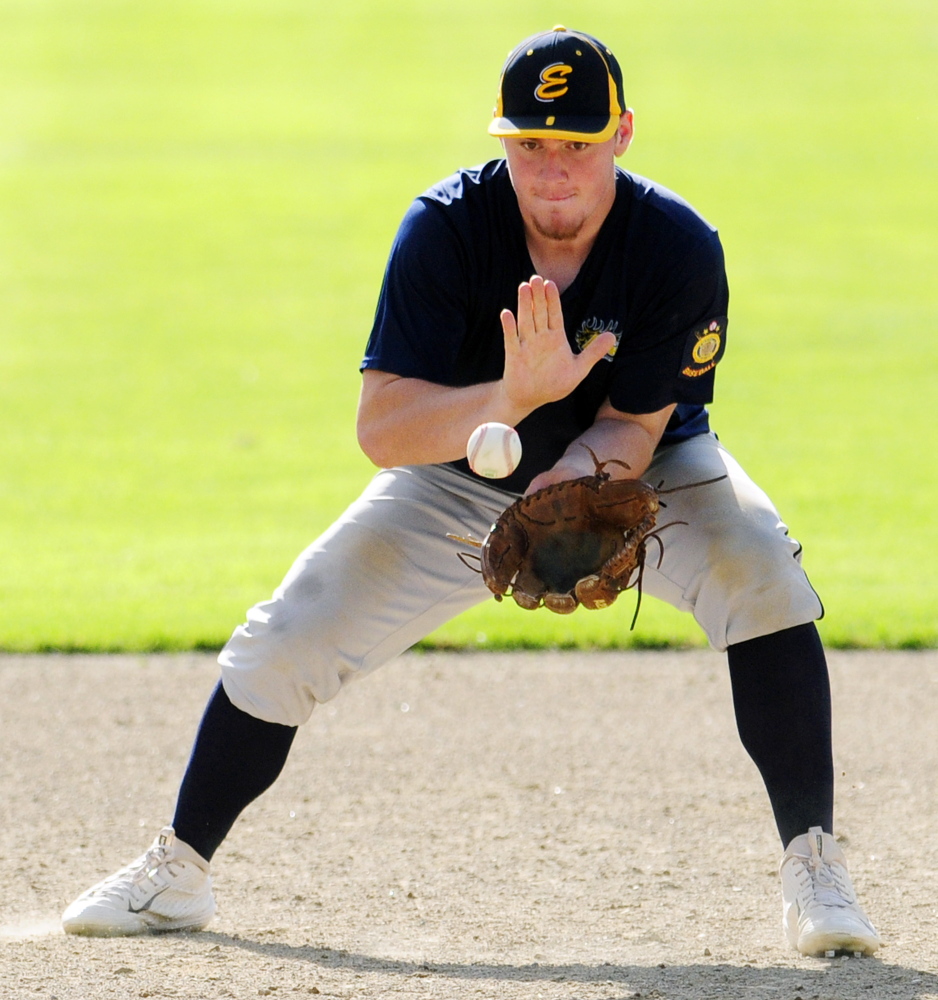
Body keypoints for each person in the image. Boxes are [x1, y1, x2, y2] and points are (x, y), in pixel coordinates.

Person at [61, 26, 879, 957]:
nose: (554, 169)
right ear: (503, 142)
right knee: (294, 628)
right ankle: (178, 872)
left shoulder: (677, 246)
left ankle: (816, 869)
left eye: (577, 143)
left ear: (623, 135)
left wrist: (574, 481)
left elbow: (634, 424)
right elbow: (382, 430)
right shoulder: (445, 232)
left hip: (642, 469)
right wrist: (514, 398)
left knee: (760, 568)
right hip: (457, 481)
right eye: (532, 143)